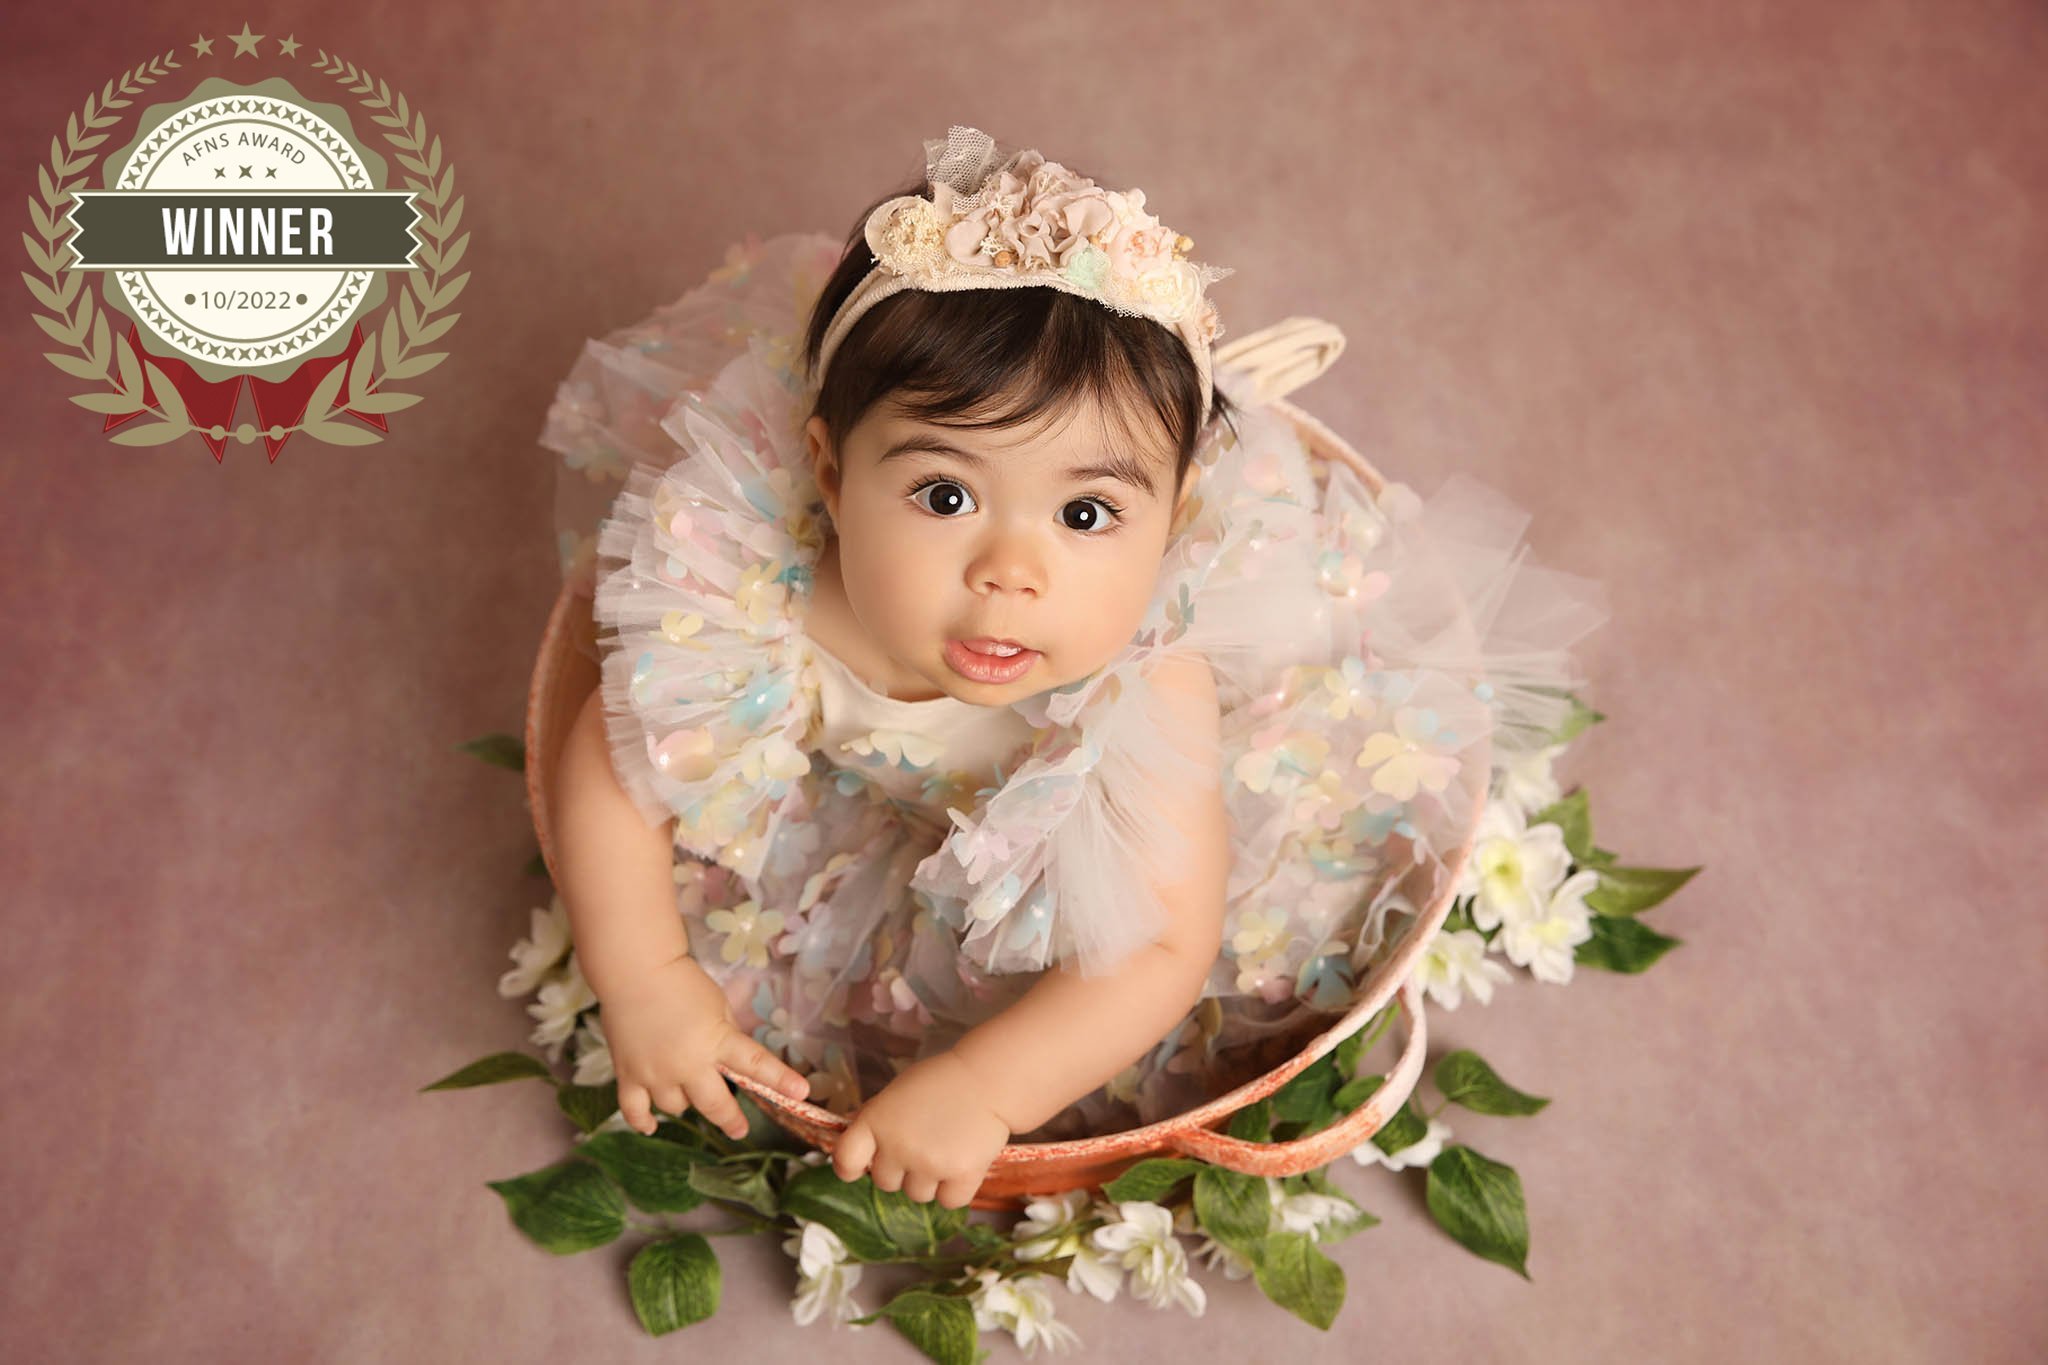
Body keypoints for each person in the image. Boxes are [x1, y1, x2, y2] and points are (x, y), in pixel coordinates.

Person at [541, 125, 1608, 1211]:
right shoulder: (759, 609)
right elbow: (613, 766)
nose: (1011, 572)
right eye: (944, 497)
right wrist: (648, 982)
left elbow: (1157, 949)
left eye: (1086, 514)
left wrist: (983, 1087)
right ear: (829, 473)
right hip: (866, 838)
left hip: (1073, 862)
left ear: (1170, 520)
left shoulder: (1144, 686)